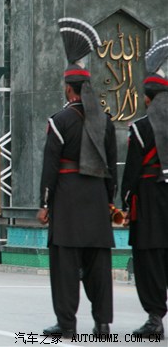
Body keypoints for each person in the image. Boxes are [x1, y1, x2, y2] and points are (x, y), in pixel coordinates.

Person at [37, 18, 116, 337]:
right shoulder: (105, 122)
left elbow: (50, 166)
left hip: (68, 200)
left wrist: (45, 203)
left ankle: (67, 324)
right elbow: (111, 168)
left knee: (65, 266)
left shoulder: (59, 121)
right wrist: (109, 201)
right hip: (96, 199)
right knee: (99, 266)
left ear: (68, 88)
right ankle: (103, 323)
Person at [121, 36, 168, 338]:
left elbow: (132, 173)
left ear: (148, 99)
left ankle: (154, 319)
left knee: (149, 260)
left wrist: (126, 202)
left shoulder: (140, 127)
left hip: (150, 202)